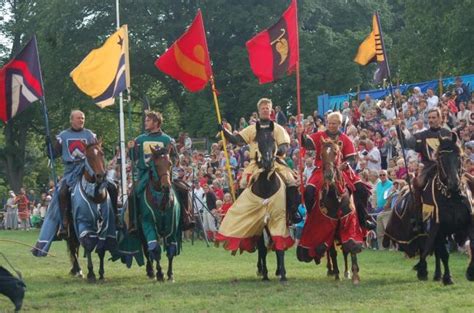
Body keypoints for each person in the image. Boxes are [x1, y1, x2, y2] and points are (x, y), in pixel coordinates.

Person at [218, 98, 299, 221]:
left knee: (291, 180)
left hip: (275, 161)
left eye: (267, 108)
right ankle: (243, 212)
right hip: (255, 163)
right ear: (259, 111)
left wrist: (276, 152)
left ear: (271, 111)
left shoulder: (277, 128)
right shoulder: (251, 128)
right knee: (242, 182)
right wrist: (224, 131)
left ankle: (293, 211)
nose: (265, 110)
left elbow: (284, 145)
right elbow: (237, 140)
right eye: (263, 108)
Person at [297, 111, 375, 230]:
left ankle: (363, 218)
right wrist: (301, 133)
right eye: (329, 123)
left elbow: (352, 158)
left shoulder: (345, 139)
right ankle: (310, 216)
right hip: (322, 169)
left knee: (361, 190)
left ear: (339, 123)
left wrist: (346, 164)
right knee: (308, 191)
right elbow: (306, 143)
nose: (331, 125)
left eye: (334, 123)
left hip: (341, 170)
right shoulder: (319, 136)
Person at [128, 111, 193, 232]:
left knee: (183, 189)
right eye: (146, 120)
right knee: (132, 194)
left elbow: (175, 157)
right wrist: (131, 149)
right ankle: (133, 223)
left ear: (156, 122)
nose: (145, 122)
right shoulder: (140, 139)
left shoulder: (167, 139)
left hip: (163, 174)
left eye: (148, 120)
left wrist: (167, 168)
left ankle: (186, 218)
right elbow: (133, 157)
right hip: (145, 174)